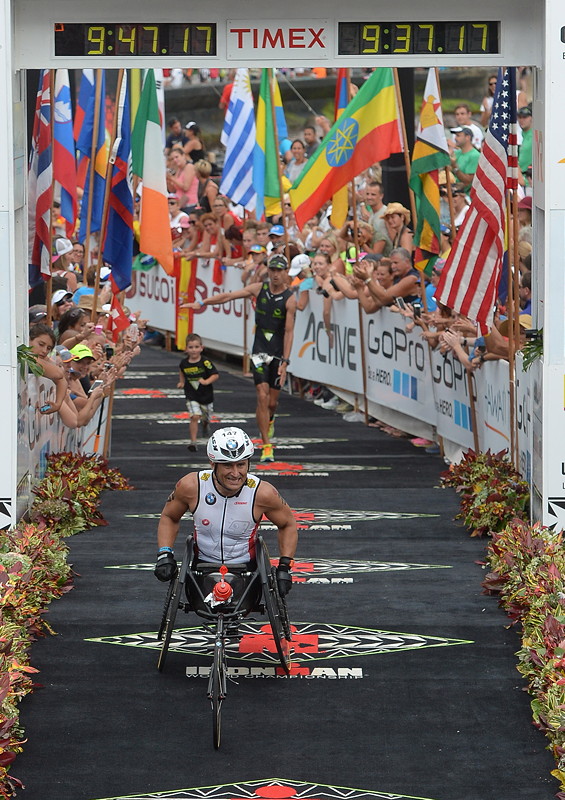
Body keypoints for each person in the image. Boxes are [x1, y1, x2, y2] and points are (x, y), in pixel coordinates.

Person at [153, 427, 297, 600]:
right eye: (228, 465)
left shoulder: (262, 493)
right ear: (213, 464)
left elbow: (287, 524)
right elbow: (169, 516)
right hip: (202, 567)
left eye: (241, 465)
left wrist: (284, 566)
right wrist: (164, 553)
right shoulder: (191, 486)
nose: (235, 473)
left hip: (247, 570)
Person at [184, 255, 297, 462]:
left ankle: (269, 420)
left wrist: (285, 362)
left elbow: (289, 332)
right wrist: (202, 302)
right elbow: (228, 297)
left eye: (279, 270)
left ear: (286, 272)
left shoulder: (290, 299)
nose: (275, 274)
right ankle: (266, 446)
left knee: (272, 403)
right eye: (272, 270)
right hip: (259, 351)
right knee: (261, 396)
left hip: (277, 353)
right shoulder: (258, 288)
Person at [177, 333, 219, 452]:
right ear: (186, 349)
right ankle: (193, 442)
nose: (193, 350)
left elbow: (215, 374)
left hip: (206, 396)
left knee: (206, 417)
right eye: (190, 347)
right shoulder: (184, 363)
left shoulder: (205, 362)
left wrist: (206, 382)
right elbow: (181, 371)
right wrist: (181, 382)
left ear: (201, 348)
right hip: (192, 395)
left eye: (196, 347)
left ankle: (205, 424)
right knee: (194, 416)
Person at [449, 127, 480, 193]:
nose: (455, 138)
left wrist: (455, 166)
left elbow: (468, 181)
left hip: (465, 197)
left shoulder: (475, 155)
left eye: (458, 136)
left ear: (467, 137)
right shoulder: (456, 153)